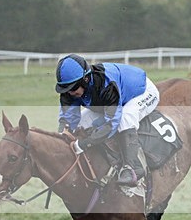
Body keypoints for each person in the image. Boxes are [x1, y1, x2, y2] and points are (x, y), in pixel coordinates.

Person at [55, 54, 159, 185]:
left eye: (73, 88)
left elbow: (112, 123)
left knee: (125, 117)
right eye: (66, 89)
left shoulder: (106, 84)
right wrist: (61, 139)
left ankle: (132, 168)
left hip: (141, 92)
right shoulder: (70, 91)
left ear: (86, 79)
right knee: (81, 124)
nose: (70, 93)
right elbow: (67, 121)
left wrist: (86, 143)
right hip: (111, 100)